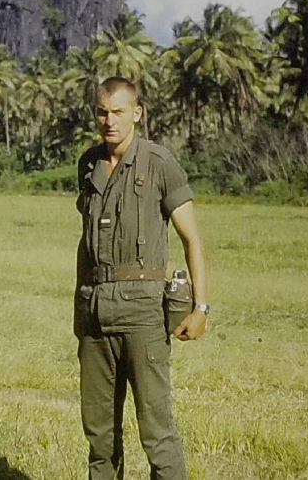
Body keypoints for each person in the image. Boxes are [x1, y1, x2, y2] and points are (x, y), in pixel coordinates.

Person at [74, 76, 210, 480]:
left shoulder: (159, 162)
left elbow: (192, 239)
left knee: (157, 433)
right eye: (102, 112)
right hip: (95, 312)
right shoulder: (89, 163)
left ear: (137, 113)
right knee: (99, 436)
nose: (108, 121)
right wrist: (80, 313)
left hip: (143, 313)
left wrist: (200, 307)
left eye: (117, 112)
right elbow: (86, 244)